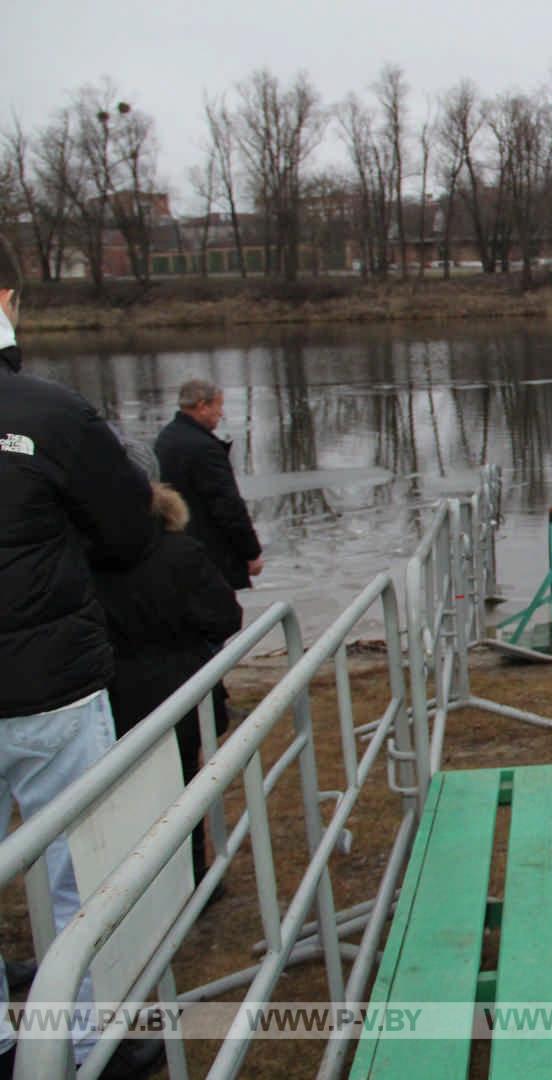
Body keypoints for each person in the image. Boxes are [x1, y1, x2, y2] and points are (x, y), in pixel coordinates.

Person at [0, 235, 164, 1078]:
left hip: (43, 680)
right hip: (51, 691)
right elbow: (130, 529)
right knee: (81, 876)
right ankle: (92, 1049)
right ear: (8, 300)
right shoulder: (50, 412)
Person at [95, 483, 242, 886]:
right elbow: (225, 616)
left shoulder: (83, 555)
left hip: (112, 694)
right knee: (181, 788)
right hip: (182, 687)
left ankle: (134, 884)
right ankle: (191, 880)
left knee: (122, 793)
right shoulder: (181, 552)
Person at [155, 378, 264, 590]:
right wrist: (251, 552)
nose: (221, 413)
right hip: (212, 554)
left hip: (179, 550)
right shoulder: (205, 448)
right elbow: (227, 505)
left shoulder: (166, 438)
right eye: (218, 406)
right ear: (202, 406)